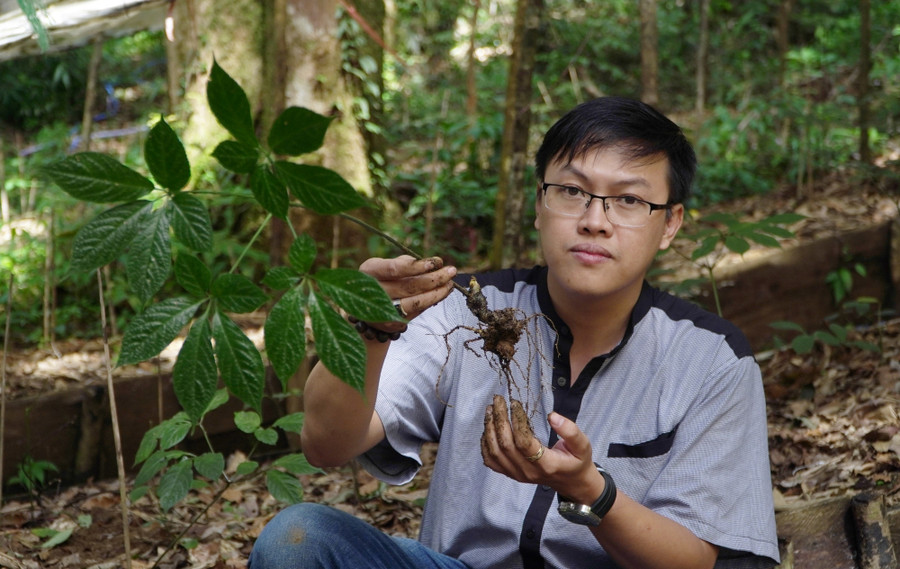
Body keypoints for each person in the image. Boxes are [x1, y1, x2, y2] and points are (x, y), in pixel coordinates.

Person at [248, 96, 780, 569]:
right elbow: (326, 444)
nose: (595, 220)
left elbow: (697, 559)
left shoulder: (712, 361)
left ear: (670, 223)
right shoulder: (461, 311)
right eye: (571, 190)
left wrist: (589, 490)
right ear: (538, 205)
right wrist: (367, 327)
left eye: (628, 200)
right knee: (299, 540)